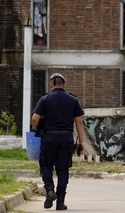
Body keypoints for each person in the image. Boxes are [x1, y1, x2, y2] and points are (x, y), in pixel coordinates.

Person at [31, 73, 85, 210]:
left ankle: (50, 191)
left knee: (46, 165)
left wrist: (35, 127)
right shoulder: (73, 100)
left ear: (51, 85)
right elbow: (79, 122)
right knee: (63, 170)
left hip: (49, 138)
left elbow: (34, 119)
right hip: (66, 138)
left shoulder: (45, 99)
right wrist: (81, 143)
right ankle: (60, 202)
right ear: (64, 84)